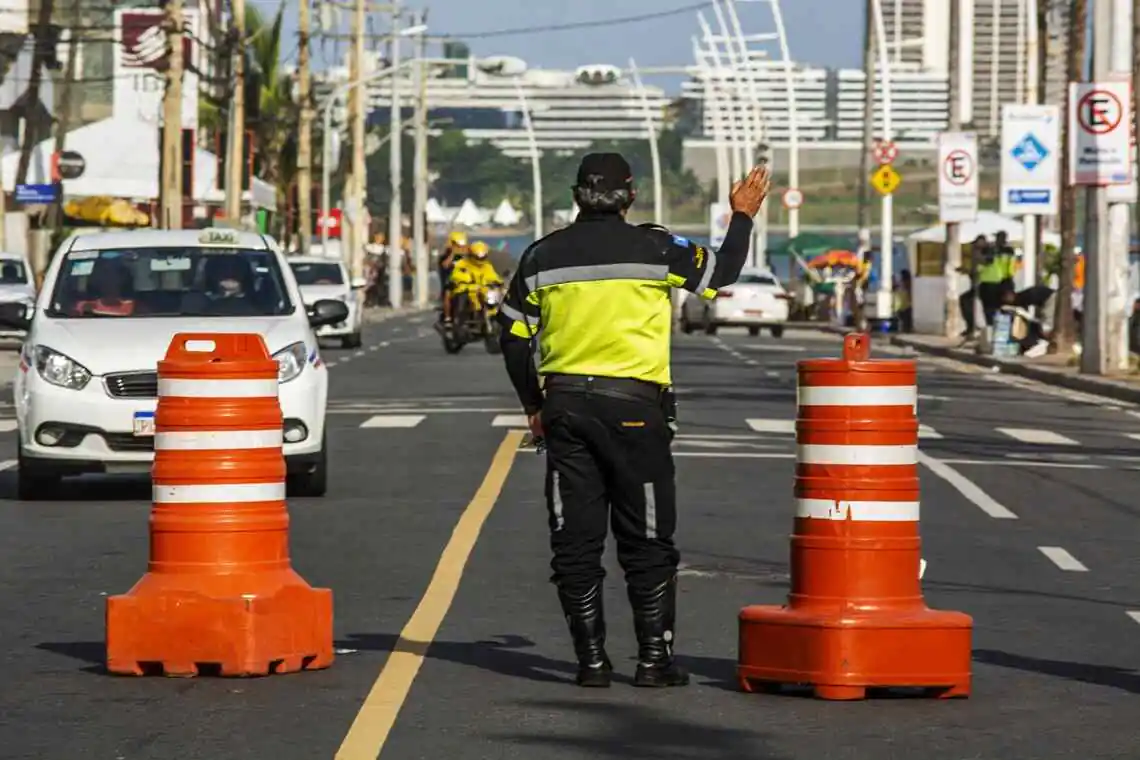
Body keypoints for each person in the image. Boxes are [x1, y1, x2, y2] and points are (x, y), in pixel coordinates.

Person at [496, 152, 770, 689]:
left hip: (566, 408)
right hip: (636, 412)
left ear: (576, 196)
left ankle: (591, 662)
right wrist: (742, 213)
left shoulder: (540, 257)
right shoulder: (657, 248)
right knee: (646, 538)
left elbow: (511, 339)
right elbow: (725, 271)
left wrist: (534, 406)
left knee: (575, 542)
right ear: (631, 197)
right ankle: (653, 660)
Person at [444, 240, 502, 324]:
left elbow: (493, 276)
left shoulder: (487, 266)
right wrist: (465, 279)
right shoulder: (462, 264)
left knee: (496, 299)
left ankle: (493, 318)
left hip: (482, 290)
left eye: (482, 257)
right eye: (477, 257)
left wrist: (498, 282)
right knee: (461, 300)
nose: (480, 259)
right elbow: (456, 275)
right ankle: (459, 320)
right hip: (466, 289)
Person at [72, 258, 136, 316]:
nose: (109, 282)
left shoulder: (134, 307)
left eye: (113, 278)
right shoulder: (85, 306)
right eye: (105, 277)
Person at [438, 231, 467, 315]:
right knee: (447, 294)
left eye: (460, 246)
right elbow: (445, 265)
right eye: (456, 245)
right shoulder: (445, 256)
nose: (459, 248)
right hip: (451, 283)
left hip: (466, 282)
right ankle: (448, 318)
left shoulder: (467, 256)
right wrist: (453, 254)